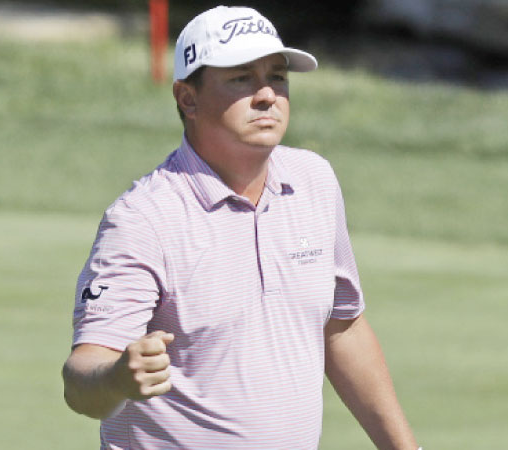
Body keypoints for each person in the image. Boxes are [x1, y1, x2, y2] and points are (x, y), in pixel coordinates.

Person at [62, 5, 420, 449]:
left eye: (278, 77)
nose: (267, 94)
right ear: (187, 98)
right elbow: (81, 380)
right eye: (241, 79)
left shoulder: (313, 181)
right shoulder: (143, 219)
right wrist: (116, 379)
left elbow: (342, 327)